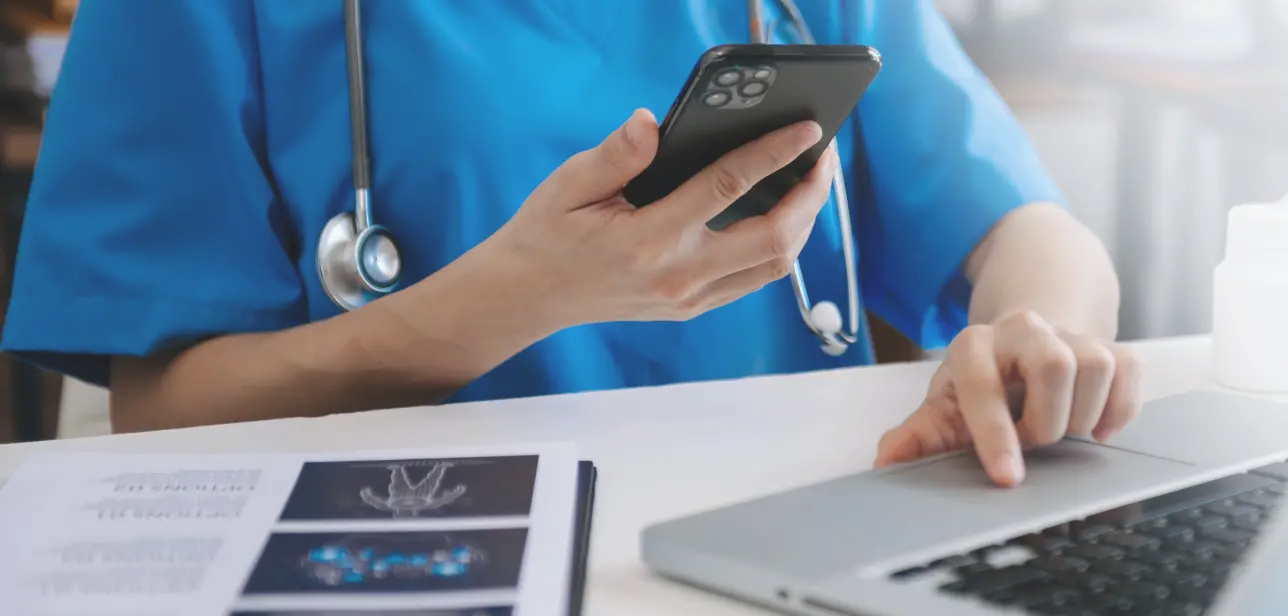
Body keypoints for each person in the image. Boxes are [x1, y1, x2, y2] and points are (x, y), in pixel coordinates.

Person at [0, 0, 1139, 488]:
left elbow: (1031, 231)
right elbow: (163, 410)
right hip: (406, 563)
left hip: (765, 555)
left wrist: (1029, 343)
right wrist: (503, 303)